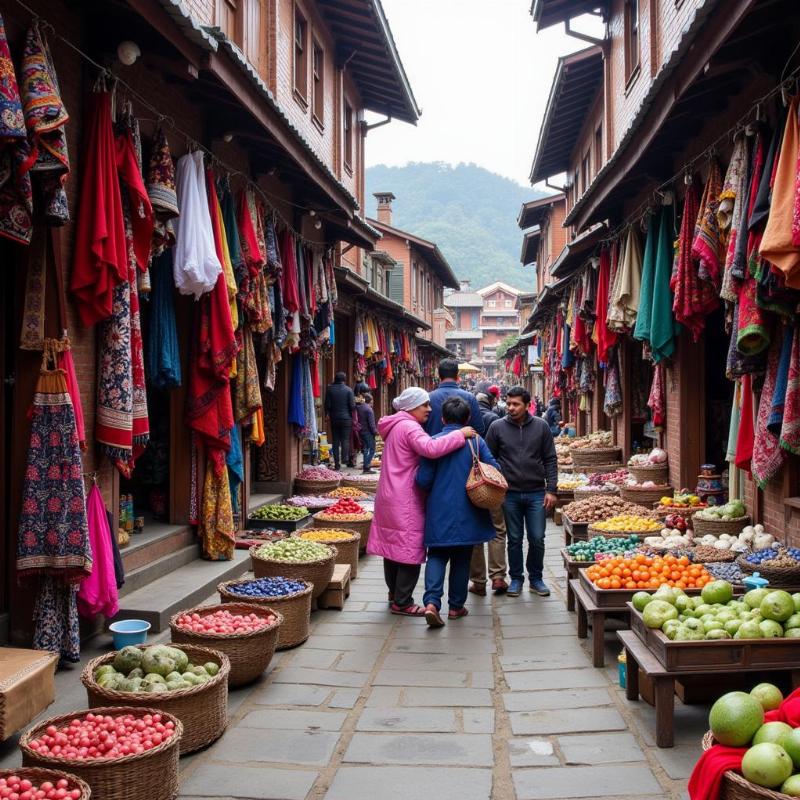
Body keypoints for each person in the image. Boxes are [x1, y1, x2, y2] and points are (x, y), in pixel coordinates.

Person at [367, 387, 475, 616]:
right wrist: (460, 434)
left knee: (392, 547)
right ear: (411, 407)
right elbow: (431, 448)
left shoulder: (395, 425)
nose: (429, 409)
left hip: (389, 494)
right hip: (405, 496)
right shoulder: (410, 427)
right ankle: (403, 601)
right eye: (424, 405)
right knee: (408, 547)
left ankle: (394, 593)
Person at [416, 397, 500, 627]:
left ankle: (432, 602)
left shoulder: (432, 442)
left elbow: (423, 480)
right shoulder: (475, 441)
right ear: (468, 418)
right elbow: (494, 468)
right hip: (469, 508)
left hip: (438, 508)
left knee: (437, 554)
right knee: (462, 557)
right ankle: (456, 607)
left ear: (442, 419)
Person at [486, 385, 558, 597]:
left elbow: (550, 459)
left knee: (537, 537)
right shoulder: (497, 428)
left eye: (516, 404)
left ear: (527, 406)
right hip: (509, 494)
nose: (510, 408)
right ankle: (516, 578)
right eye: (508, 403)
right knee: (514, 538)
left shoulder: (541, 427)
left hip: (536, 492)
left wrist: (551, 489)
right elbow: (488, 460)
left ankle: (536, 578)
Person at [425, 358, 485, 437]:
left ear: (439, 376)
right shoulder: (470, 397)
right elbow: (479, 428)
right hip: (464, 448)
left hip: (433, 447)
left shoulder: (428, 398)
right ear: (457, 376)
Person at [324, 372, 355, 470]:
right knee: (345, 439)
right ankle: (344, 459)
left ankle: (337, 464)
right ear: (344, 380)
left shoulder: (330, 389)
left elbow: (327, 405)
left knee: (335, 441)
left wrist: (327, 414)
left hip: (334, 419)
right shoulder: (349, 390)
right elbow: (352, 406)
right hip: (346, 419)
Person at [357, 393, 377, 473]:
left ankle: (366, 467)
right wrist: (376, 432)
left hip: (361, 431)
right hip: (368, 432)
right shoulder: (369, 410)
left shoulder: (360, 407)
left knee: (366, 449)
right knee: (372, 449)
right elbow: (371, 424)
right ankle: (366, 466)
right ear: (371, 400)